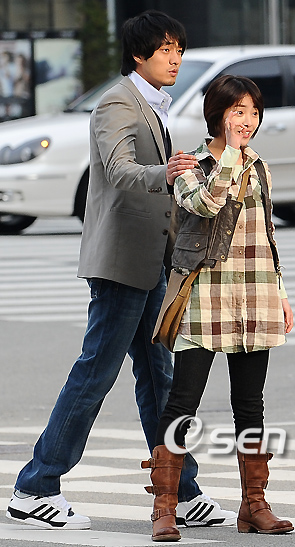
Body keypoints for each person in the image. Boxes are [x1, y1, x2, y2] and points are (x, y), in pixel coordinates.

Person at [6, 10, 235, 532]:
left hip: (151, 262)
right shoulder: (117, 102)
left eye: (179, 49)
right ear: (139, 54)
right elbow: (117, 169)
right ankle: (35, 487)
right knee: (95, 373)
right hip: (121, 264)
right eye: (166, 50)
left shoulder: (151, 104)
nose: (175, 59)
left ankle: (180, 492)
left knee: (159, 378)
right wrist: (166, 172)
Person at [141, 74, 295, 542]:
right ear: (218, 115)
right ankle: (165, 507)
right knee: (183, 402)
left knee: (250, 404)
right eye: (238, 111)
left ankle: (254, 505)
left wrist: (281, 293)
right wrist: (229, 155)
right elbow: (206, 205)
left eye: (253, 112)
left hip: (256, 295)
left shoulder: (260, 166)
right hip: (205, 297)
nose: (247, 121)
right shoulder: (191, 166)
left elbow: (267, 235)